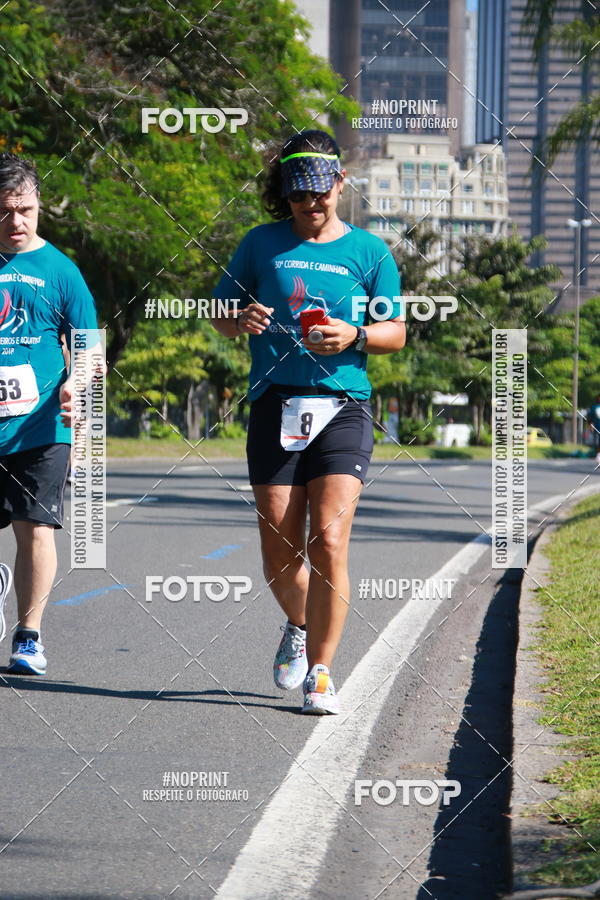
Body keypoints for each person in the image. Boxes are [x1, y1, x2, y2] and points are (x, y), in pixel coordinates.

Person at [210, 130, 406, 714]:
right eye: (299, 196)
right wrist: (237, 317)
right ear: (286, 195)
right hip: (275, 404)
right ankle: (299, 622)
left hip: (343, 406)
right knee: (277, 548)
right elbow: (219, 312)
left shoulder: (371, 253)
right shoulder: (260, 244)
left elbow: (395, 332)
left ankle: (321, 672)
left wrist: (358, 334)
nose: (310, 205)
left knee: (330, 539)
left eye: (320, 194)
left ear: (340, 186)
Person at [0, 152, 99, 674]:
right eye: (4, 211)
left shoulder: (61, 271)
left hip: (41, 426)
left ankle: (29, 635)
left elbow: (89, 343)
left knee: (34, 528)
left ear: (38, 208)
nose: (16, 222)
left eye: (25, 210)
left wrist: (78, 383)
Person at [587, 394, 600, 460]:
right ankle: (598, 455)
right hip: (597, 428)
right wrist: (590, 425)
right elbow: (590, 418)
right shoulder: (594, 407)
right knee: (597, 443)